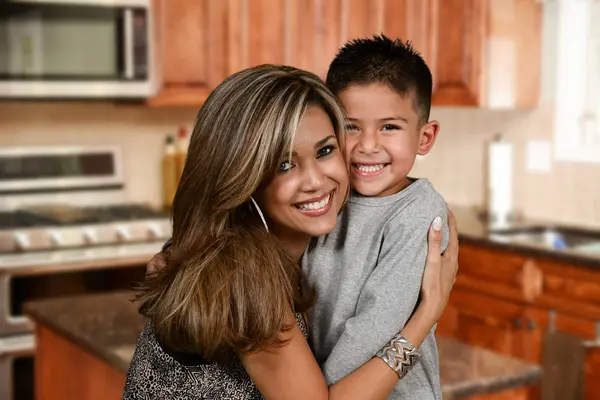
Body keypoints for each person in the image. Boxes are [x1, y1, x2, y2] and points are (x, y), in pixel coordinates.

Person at [124, 64, 459, 400]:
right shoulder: (241, 277)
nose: (315, 181)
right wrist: (425, 317)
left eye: (325, 150)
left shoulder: (282, 253)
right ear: (243, 178)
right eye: (285, 164)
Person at [303, 35, 448, 399]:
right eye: (351, 126)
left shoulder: (418, 213)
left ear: (425, 137)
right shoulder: (325, 194)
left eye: (389, 127)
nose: (368, 145)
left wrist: (317, 389)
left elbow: (376, 326)